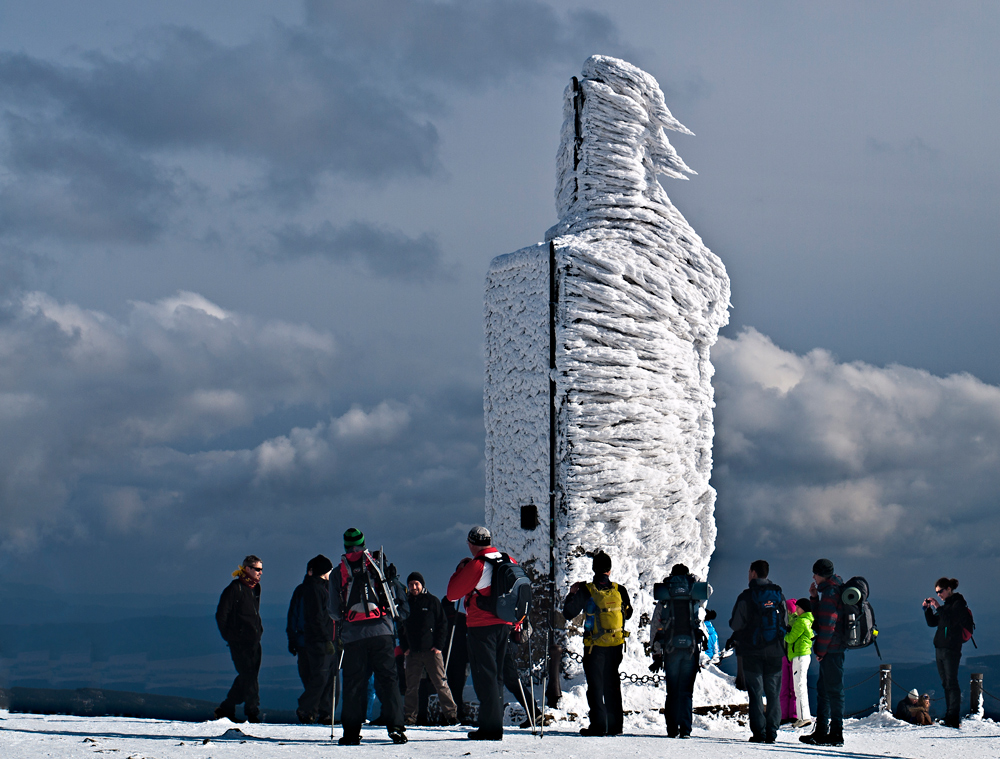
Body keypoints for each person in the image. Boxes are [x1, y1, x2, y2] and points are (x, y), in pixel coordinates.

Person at [328, 528, 408, 745]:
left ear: (345, 546)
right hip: (382, 632)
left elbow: (334, 611)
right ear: (363, 544)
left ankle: (352, 734)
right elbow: (398, 597)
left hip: (354, 636)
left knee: (354, 684)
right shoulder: (377, 566)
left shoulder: (338, 573)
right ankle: (396, 729)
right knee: (388, 680)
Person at [446, 526, 516, 741]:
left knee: (484, 676)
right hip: (504, 624)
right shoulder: (509, 560)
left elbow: (452, 594)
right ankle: (494, 724)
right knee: (497, 677)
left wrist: (460, 569)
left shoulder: (477, 565)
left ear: (471, 543)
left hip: (481, 626)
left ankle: (491, 728)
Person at [563, 551, 633, 736]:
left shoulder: (587, 589)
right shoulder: (619, 589)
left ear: (594, 569)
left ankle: (599, 726)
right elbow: (629, 613)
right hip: (616, 645)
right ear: (609, 570)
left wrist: (572, 594)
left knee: (596, 686)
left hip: (595, 647)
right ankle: (615, 726)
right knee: (612, 684)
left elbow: (569, 613)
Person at [729, 559, 787, 744]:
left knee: (755, 693)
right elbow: (784, 621)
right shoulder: (778, 595)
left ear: (753, 573)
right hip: (775, 651)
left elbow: (736, 623)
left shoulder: (746, 596)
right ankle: (772, 732)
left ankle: (759, 733)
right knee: (773, 693)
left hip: (751, 651)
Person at [649, 563, 702, 739]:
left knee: (672, 691)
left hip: (670, 650)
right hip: (690, 649)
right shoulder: (694, 597)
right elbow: (709, 589)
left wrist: (656, 652)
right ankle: (685, 730)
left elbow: (655, 625)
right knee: (686, 691)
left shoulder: (666, 598)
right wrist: (694, 579)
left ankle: (672, 729)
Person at [400, 571, 459, 726]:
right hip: (412, 652)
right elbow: (400, 626)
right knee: (411, 687)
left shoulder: (432, 601)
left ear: (422, 585)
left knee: (440, 683)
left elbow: (442, 624)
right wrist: (405, 647)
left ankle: (451, 715)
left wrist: (439, 646)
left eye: (416, 584)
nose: (414, 587)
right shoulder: (405, 603)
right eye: (411, 584)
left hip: (432, 651)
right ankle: (409, 717)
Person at [801, 558, 845, 747]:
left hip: (831, 649)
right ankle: (822, 732)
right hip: (833, 648)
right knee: (824, 690)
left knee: (833, 691)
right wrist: (813, 598)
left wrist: (820, 650)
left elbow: (827, 624)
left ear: (821, 574)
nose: (813, 577)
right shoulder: (830, 590)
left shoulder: (830, 592)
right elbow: (823, 617)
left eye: (815, 573)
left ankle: (835, 733)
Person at [214, 555, 264, 723]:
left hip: (254, 640)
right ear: (247, 569)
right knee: (249, 675)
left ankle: (227, 707)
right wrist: (231, 636)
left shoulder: (255, 588)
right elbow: (221, 615)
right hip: (240, 642)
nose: (260, 573)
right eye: (257, 569)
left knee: (248, 675)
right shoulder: (234, 589)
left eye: (261, 569)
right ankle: (252, 712)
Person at [287, 555, 336, 725]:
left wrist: (291, 638)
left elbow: (292, 616)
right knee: (324, 677)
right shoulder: (320, 590)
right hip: (320, 641)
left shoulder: (302, 589)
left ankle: (315, 712)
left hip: (304, 641)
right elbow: (320, 618)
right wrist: (329, 639)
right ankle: (315, 710)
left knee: (315, 677)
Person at [924, 576, 968, 728]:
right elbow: (933, 623)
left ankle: (953, 718)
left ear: (949, 589)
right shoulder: (946, 606)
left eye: (940, 591)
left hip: (952, 648)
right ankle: (949, 716)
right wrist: (927, 610)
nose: (938, 595)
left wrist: (938, 606)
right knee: (946, 683)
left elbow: (950, 620)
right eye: (936, 593)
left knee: (951, 682)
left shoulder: (958, 604)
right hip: (940, 648)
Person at [784, 597, 813, 729]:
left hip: (799, 655)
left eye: (798, 607)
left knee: (799, 687)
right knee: (800, 686)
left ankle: (804, 718)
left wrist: (783, 634)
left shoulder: (801, 622)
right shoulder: (806, 620)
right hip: (801, 655)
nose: (796, 610)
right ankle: (802, 716)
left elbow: (790, 638)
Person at [442, 597, 472, 724]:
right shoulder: (443, 620)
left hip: (458, 656)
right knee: (451, 686)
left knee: (455, 686)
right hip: (449, 657)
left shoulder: (459, 618)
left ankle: (457, 711)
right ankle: (452, 712)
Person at [779, 598, 798, 725]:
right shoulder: (799, 621)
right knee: (795, 688)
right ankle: (794, 714)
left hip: (782, 656)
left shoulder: (781, 622)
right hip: (795, 656)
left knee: (783, 688)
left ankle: (783, 715)